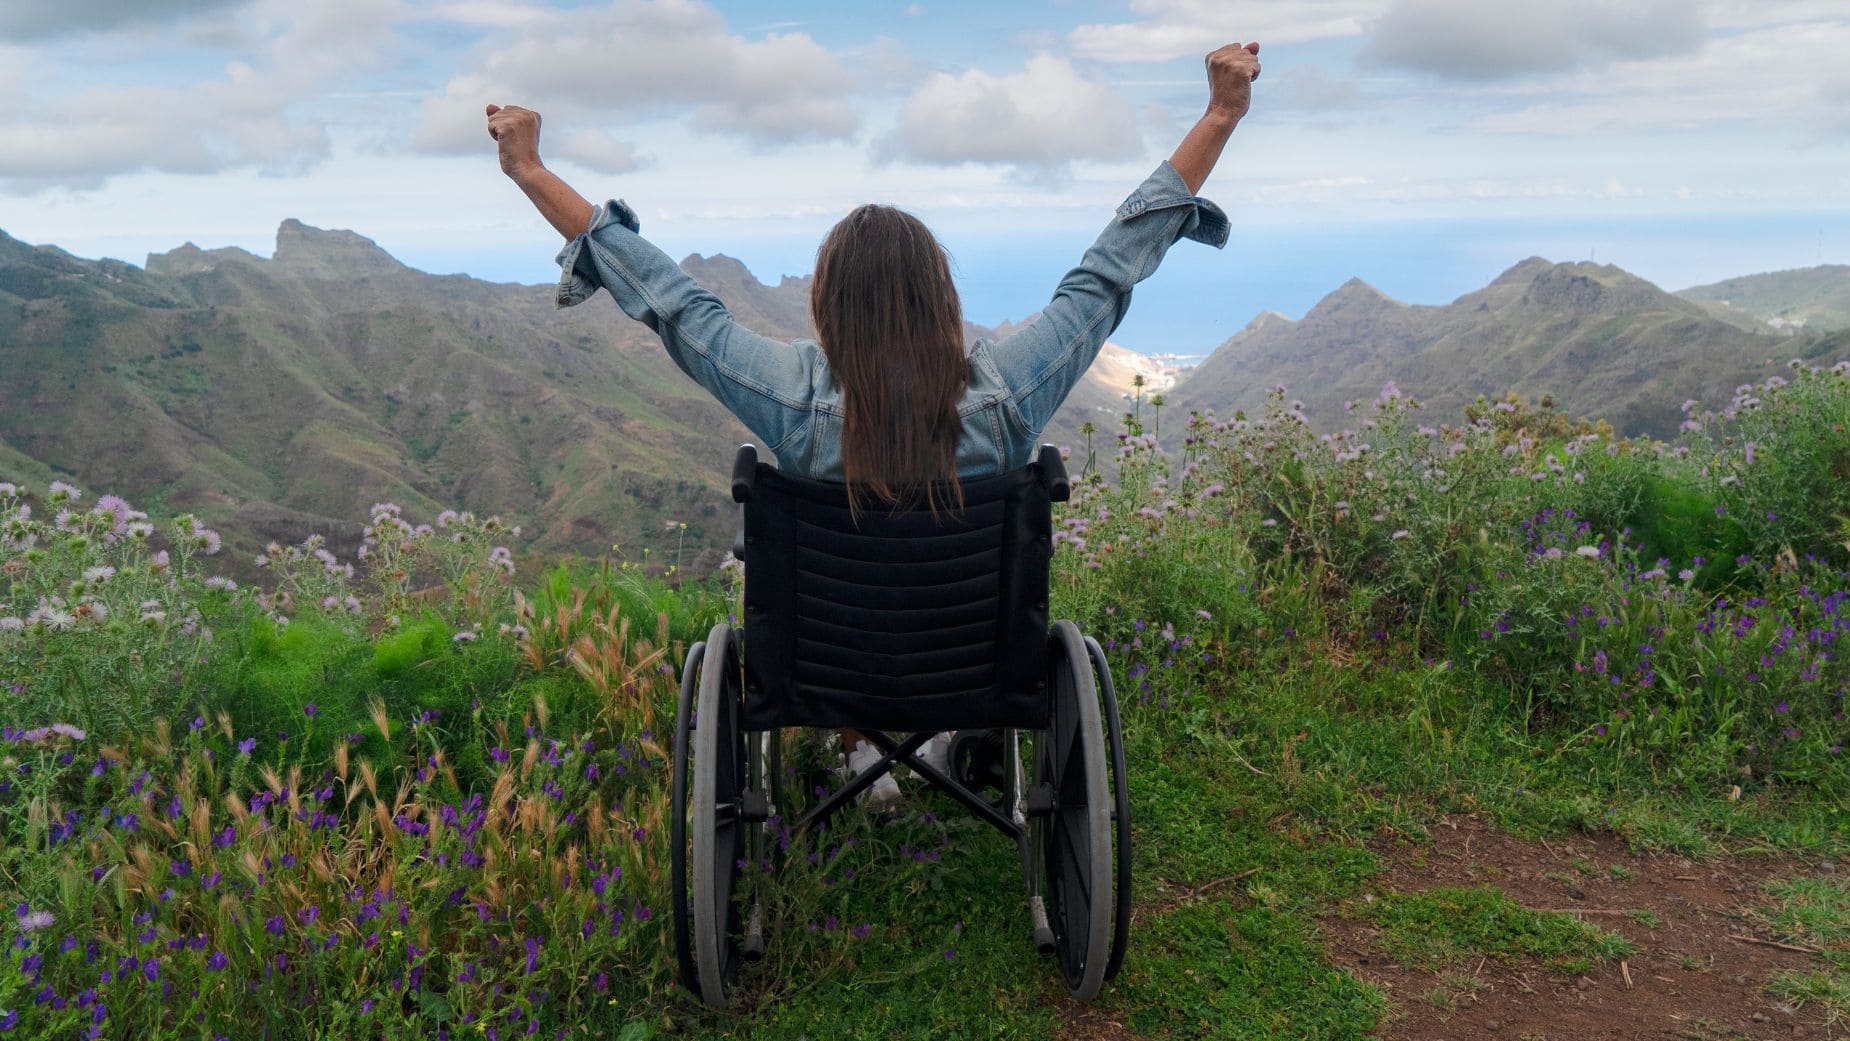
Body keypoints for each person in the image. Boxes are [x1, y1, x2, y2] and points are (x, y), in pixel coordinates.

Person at [489, 41, 1260, 807]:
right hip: (973, 666)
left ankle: (863, 752)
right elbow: (1107, 272)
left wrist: (530, 170)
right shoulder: (1006, 395)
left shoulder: (793, 403)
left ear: (829, 306)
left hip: (825, 669)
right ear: (940, 298)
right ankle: (939, 738)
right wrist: (1220, 115)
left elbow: (672, 302)